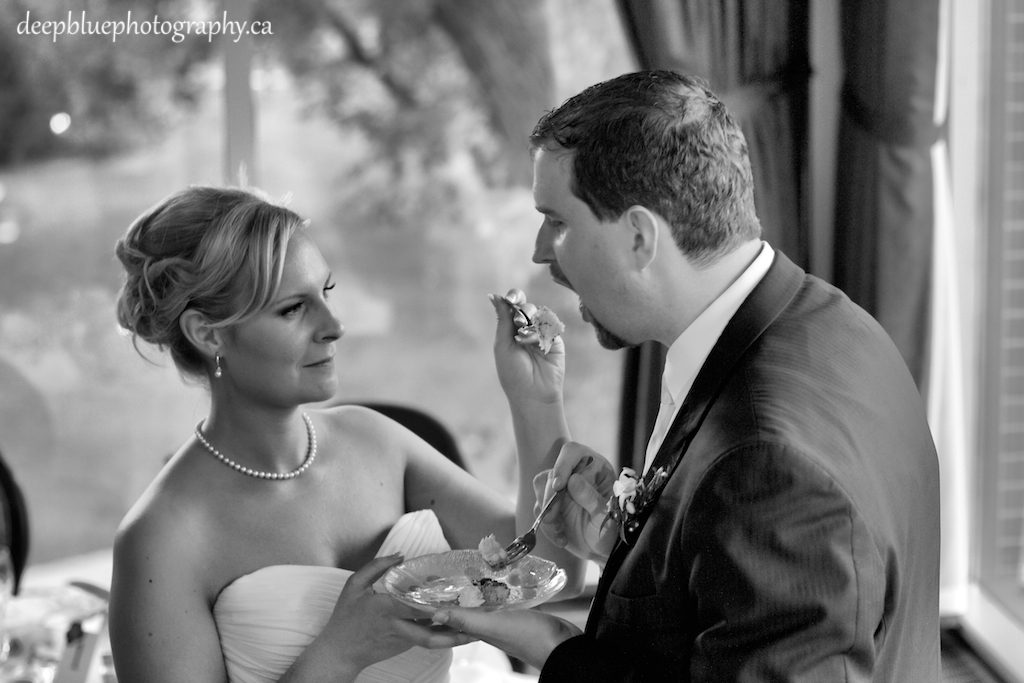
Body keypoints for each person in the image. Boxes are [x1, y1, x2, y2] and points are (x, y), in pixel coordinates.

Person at [434, 70, 942, 681]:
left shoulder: (769, 464)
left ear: (640, 237)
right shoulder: (828, 323)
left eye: (558, 221)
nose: (541, 252)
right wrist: (632, 541)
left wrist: (554, 646)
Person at [107, 185, 585, 683]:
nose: (334, 325)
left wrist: (537, 400)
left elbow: (556, 573)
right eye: (293, 308)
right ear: (208, 333)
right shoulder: (161, 540)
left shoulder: (376, 441)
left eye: (326, 294)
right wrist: (339, 653)